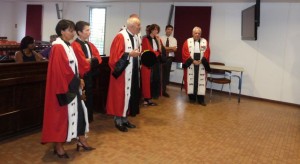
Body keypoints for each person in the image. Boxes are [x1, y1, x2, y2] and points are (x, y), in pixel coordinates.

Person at [41, 19, 94, 159]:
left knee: (80, 113)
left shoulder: (68, 46)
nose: (73, 33)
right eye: (70, 30)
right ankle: (58, 146)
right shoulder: (58, 47)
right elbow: (62, 71)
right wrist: (76, 81)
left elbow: (73, 67)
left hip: (71, 85)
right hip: (62, 88)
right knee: (60, 117)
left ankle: (81, 139)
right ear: (62, 31)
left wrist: (79, 79)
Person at [106, 16, 141, 132]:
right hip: (122, 73)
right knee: (120, 96)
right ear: (131, 26)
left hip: (132, 71)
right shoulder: (120, 36)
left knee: (129, 96)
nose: (140, 27)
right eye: (138, 25)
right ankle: (118, 120)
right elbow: (115, 56)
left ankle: (125, 119)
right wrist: (129, 55)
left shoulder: (135, 37)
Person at [72, 21, 102, 123]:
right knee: (82, 97)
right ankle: (82, 119)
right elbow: (82, 62)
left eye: (90, 30)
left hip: (90, 75)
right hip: (81, 76)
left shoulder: (90, 44)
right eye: (87, 30)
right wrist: (91, 60)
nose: (89, 32)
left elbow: (99, 58)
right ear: (79, 32)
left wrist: (91, 60)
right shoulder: (75, 45)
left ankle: (88, 117)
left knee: (89, 97)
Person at [182, 26, 210, 106]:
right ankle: (192, 98)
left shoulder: (205, 42)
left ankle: (201, 99)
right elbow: (185, 53)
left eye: (199, 33)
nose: (197, 34)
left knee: (200, 82)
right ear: (192, 33)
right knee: (192, 81)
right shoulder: (187, 42)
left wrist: (201, 61)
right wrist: (192, 61)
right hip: (191, 64)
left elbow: (207, 52)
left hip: (201, 65)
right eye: (195, 33)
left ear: (201, 34)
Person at [141, 24, 165, 105]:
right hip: (149, 63)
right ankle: (146, 98)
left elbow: (161, 51)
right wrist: (157, 52)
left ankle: (152, 97)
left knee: (155, 79)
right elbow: (148, 51)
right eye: (154, 29)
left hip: (156, 63)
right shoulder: (145, 39)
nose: (156, 31)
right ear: (151, 30)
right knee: (148, 81)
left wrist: (158, 42)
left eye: (157, 30)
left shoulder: (158, 39)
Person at [160, 24, 177, 97]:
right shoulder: (161, 38)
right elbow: (161, 48)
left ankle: (164, 91)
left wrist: (165, 48)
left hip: (169, 58)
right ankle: (159, 90)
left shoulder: (174, 39)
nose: (169, 31)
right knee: (160, 74)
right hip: (161, 58)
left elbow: (175, 49)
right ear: (165, 30)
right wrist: (170, 48)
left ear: (172, 31)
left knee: (166, 75)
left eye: (171, 29)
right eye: (168, 29)